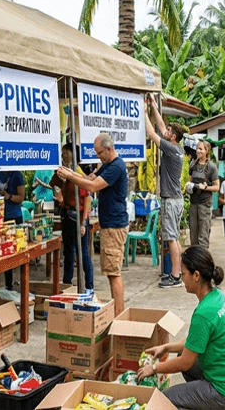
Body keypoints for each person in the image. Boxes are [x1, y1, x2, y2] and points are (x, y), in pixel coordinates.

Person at [136, 247, 225, 409]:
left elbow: (185, 363)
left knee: (163, 400)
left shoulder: (204, 313)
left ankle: (209, 401)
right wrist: (166, 347)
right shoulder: (217, 296)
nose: (182, 279)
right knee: (180, 353)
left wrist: (154, 368)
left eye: (183, 274)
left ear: (196, 275)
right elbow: (195, 340)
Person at [56, 133, 129, 316]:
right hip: (110, 224)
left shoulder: (116, 167)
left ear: (109, 149)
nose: (97, 156)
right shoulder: (107, 165)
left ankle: (119, 315)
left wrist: (70, 177)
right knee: (111, 272)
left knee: (114, 274)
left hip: (114, 225)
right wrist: (70, 172)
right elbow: (89, 179)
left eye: (99, 152)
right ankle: (117, 313)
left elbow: (92, 187)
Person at [144, 96, 186, 287]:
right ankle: (176, 274)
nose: (166, 131)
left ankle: (175, 276)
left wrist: (144, 113)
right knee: (174, 237)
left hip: (171, 200)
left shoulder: (170, 149)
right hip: (176, 199)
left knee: (171, 239)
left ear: (173, 137)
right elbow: (161, 128)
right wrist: (153, 104)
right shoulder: (177, 148)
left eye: (169, 131)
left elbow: (153, 133)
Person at [49, 144, 93, 290]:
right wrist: (60, 181)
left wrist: (83, 223)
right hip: (67, 216)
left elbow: (87, 199)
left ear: (73, 155)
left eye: (66, 154)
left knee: (83, 255)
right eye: (62, 154)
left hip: (78, 217)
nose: (63, 156)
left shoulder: (78, 174)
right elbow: (52, 184)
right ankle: (67, 286)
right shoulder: (65, 173)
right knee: (68, 253)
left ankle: (89, 287)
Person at [0, 170, 26, 287]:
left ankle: (9, 284)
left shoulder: (16, 175)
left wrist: (9, 196)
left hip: (14, 217)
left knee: (11, 253)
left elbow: (21, 197)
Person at [187, 140, 219, 249]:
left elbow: (216, 187)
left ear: (207, 151)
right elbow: (189, 180)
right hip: (193, 202)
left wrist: (205, 187)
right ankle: (194, 260)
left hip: (204, 204)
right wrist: (188, 186)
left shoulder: (211, 167)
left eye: (201, 149)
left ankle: (202, 261)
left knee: (203, 234)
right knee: (193, 233)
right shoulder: (193, 164)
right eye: (197, 148)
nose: (198, 151)